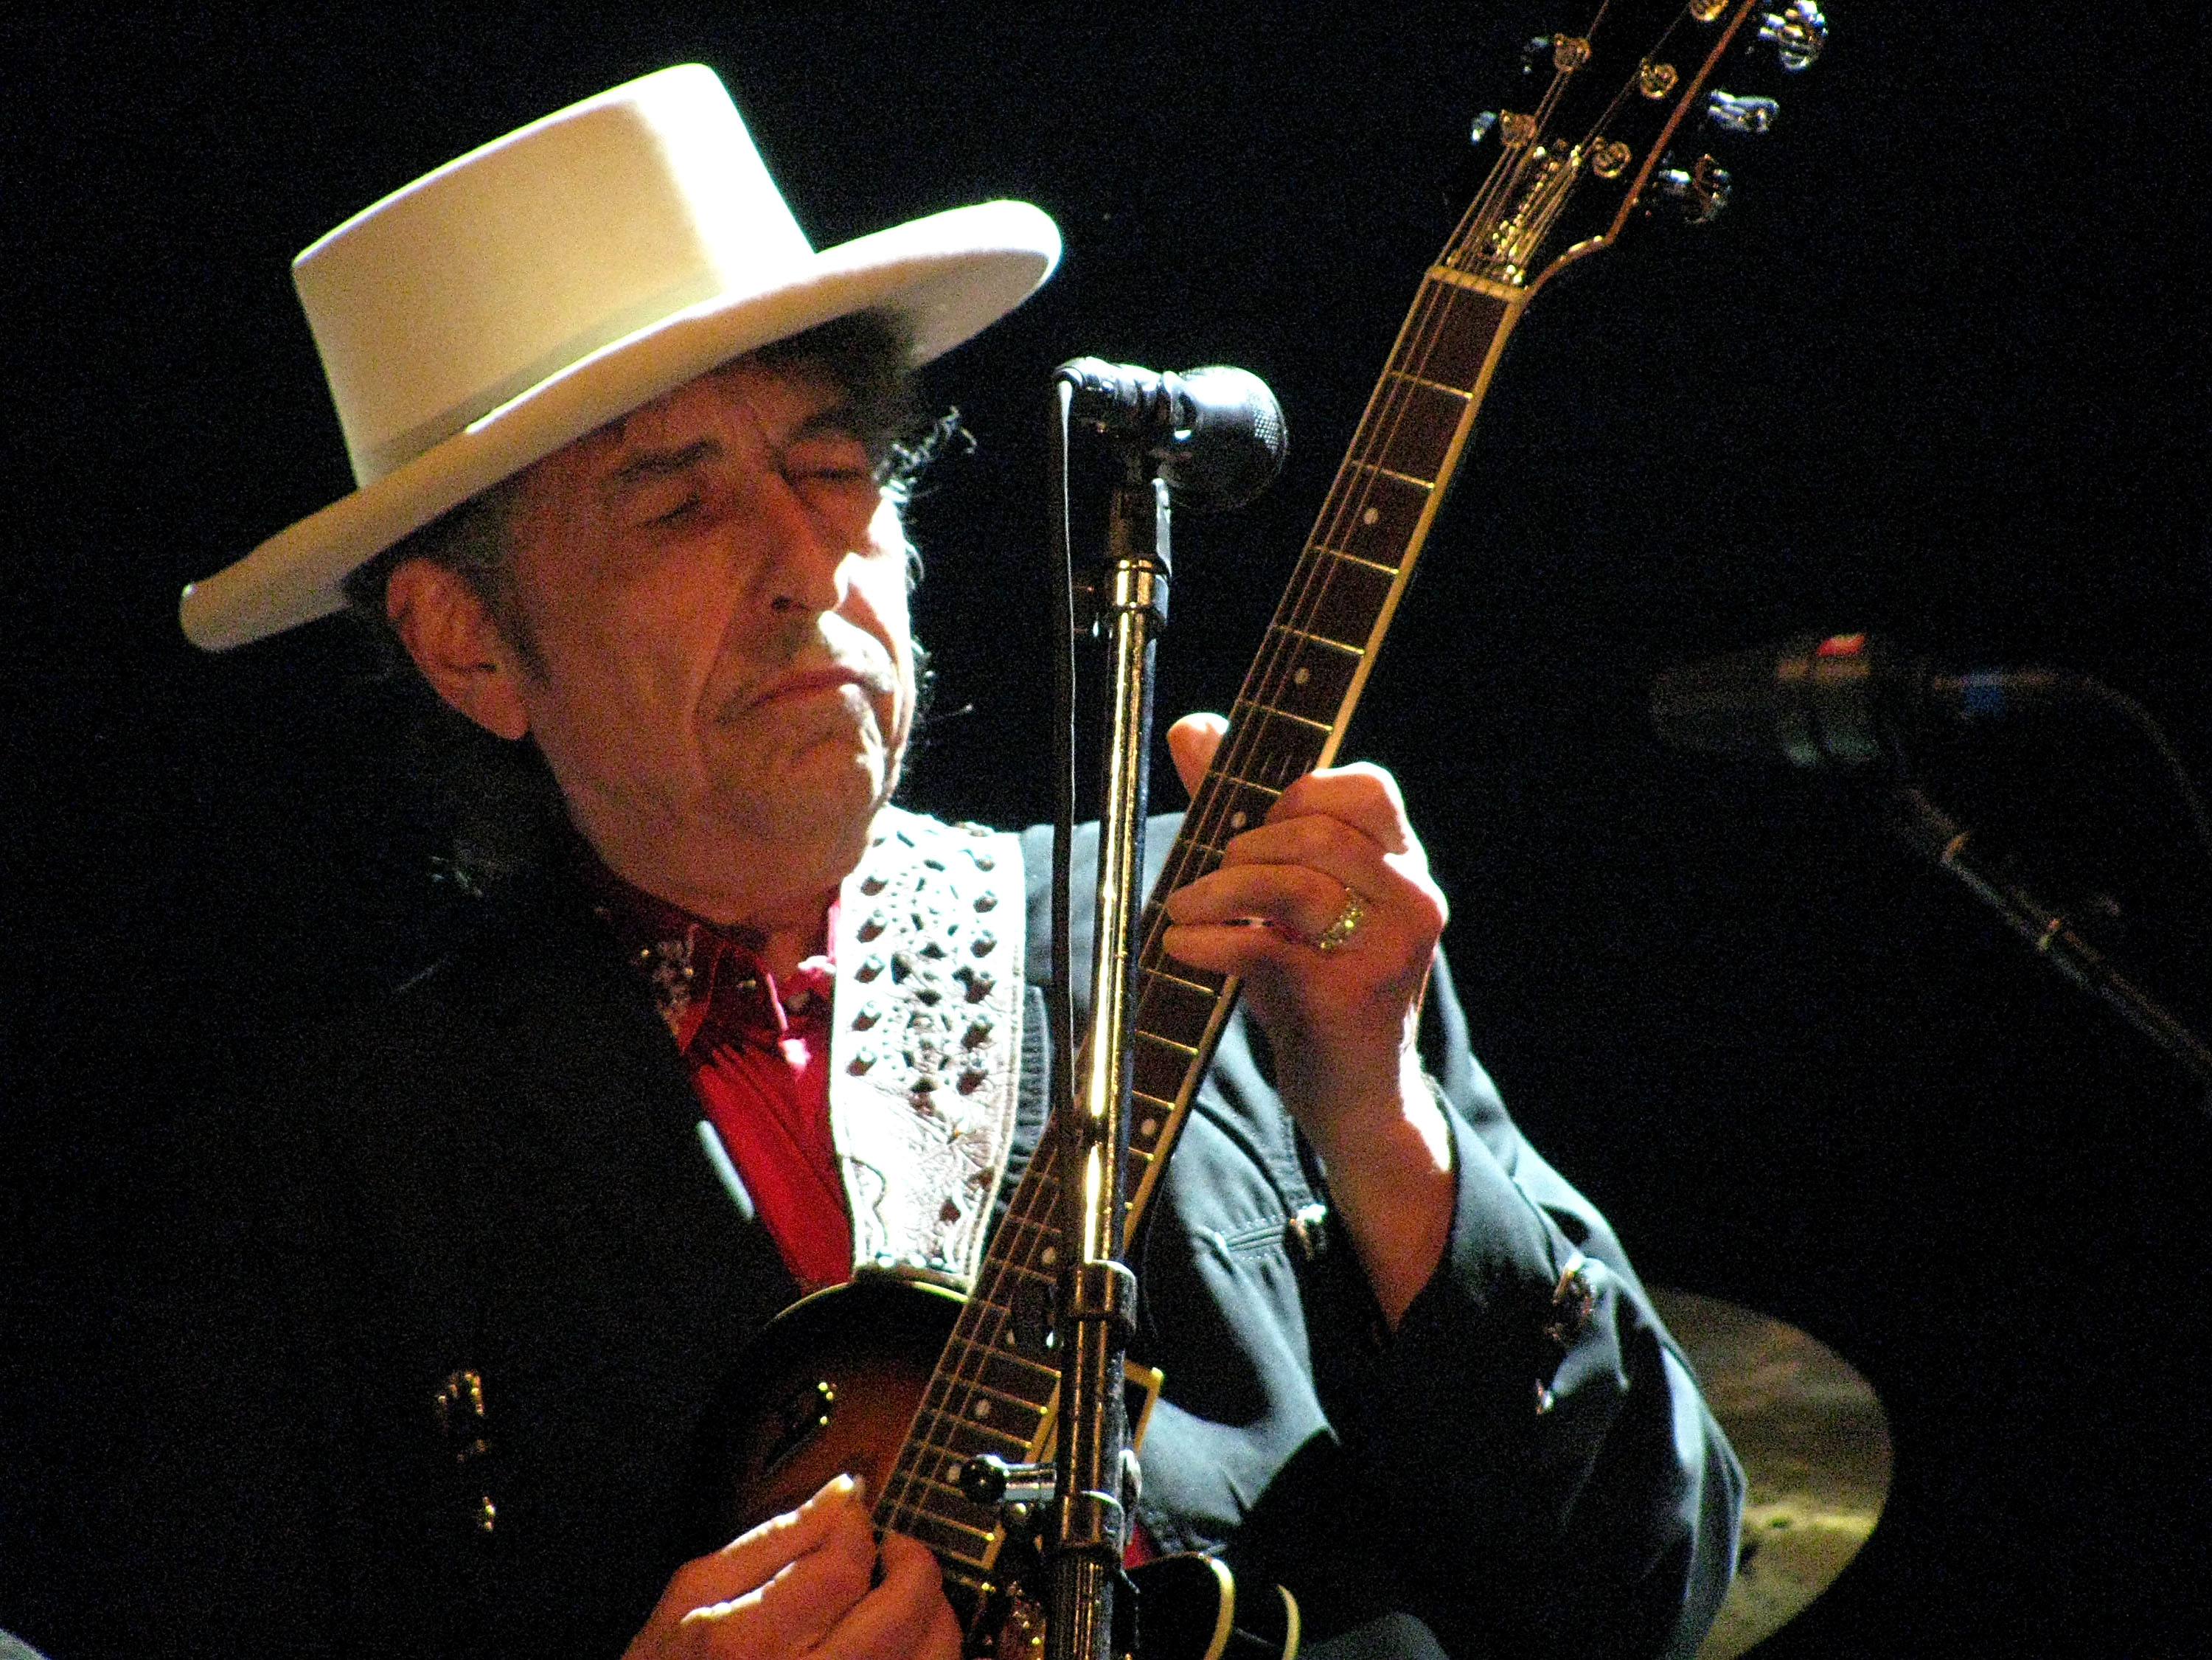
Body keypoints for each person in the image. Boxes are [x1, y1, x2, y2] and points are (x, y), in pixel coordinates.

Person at [138, 64, 1739, 1660]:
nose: (803, 559)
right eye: (680, 504)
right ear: (466, 640)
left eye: (834, 469)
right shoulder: (337, 1170)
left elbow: (1643, 1592)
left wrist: (1387, 1136)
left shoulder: (1241, 929)